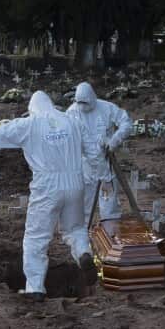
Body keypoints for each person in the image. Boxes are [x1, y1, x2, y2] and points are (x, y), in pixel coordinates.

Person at [0, 90, 95, 300]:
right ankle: (84, 254)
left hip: (47, 185)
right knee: (75, 228)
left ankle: (35, 288)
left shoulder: (29, 124)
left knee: (36, 238)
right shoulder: (72, 121)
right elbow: (93, 150)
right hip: (75, 181)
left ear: (32, 109)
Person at [65, 82, 132, 223]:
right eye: (80, 103)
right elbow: (66, 137)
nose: (83, 106)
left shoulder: (107, 108)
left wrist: (114, 140)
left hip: (106, 162)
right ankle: (84, 236)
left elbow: (126, 122)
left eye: (86, 103)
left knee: (108, 202)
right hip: (85, 167)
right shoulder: (72, 112)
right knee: (84, 203)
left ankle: (110, 231)